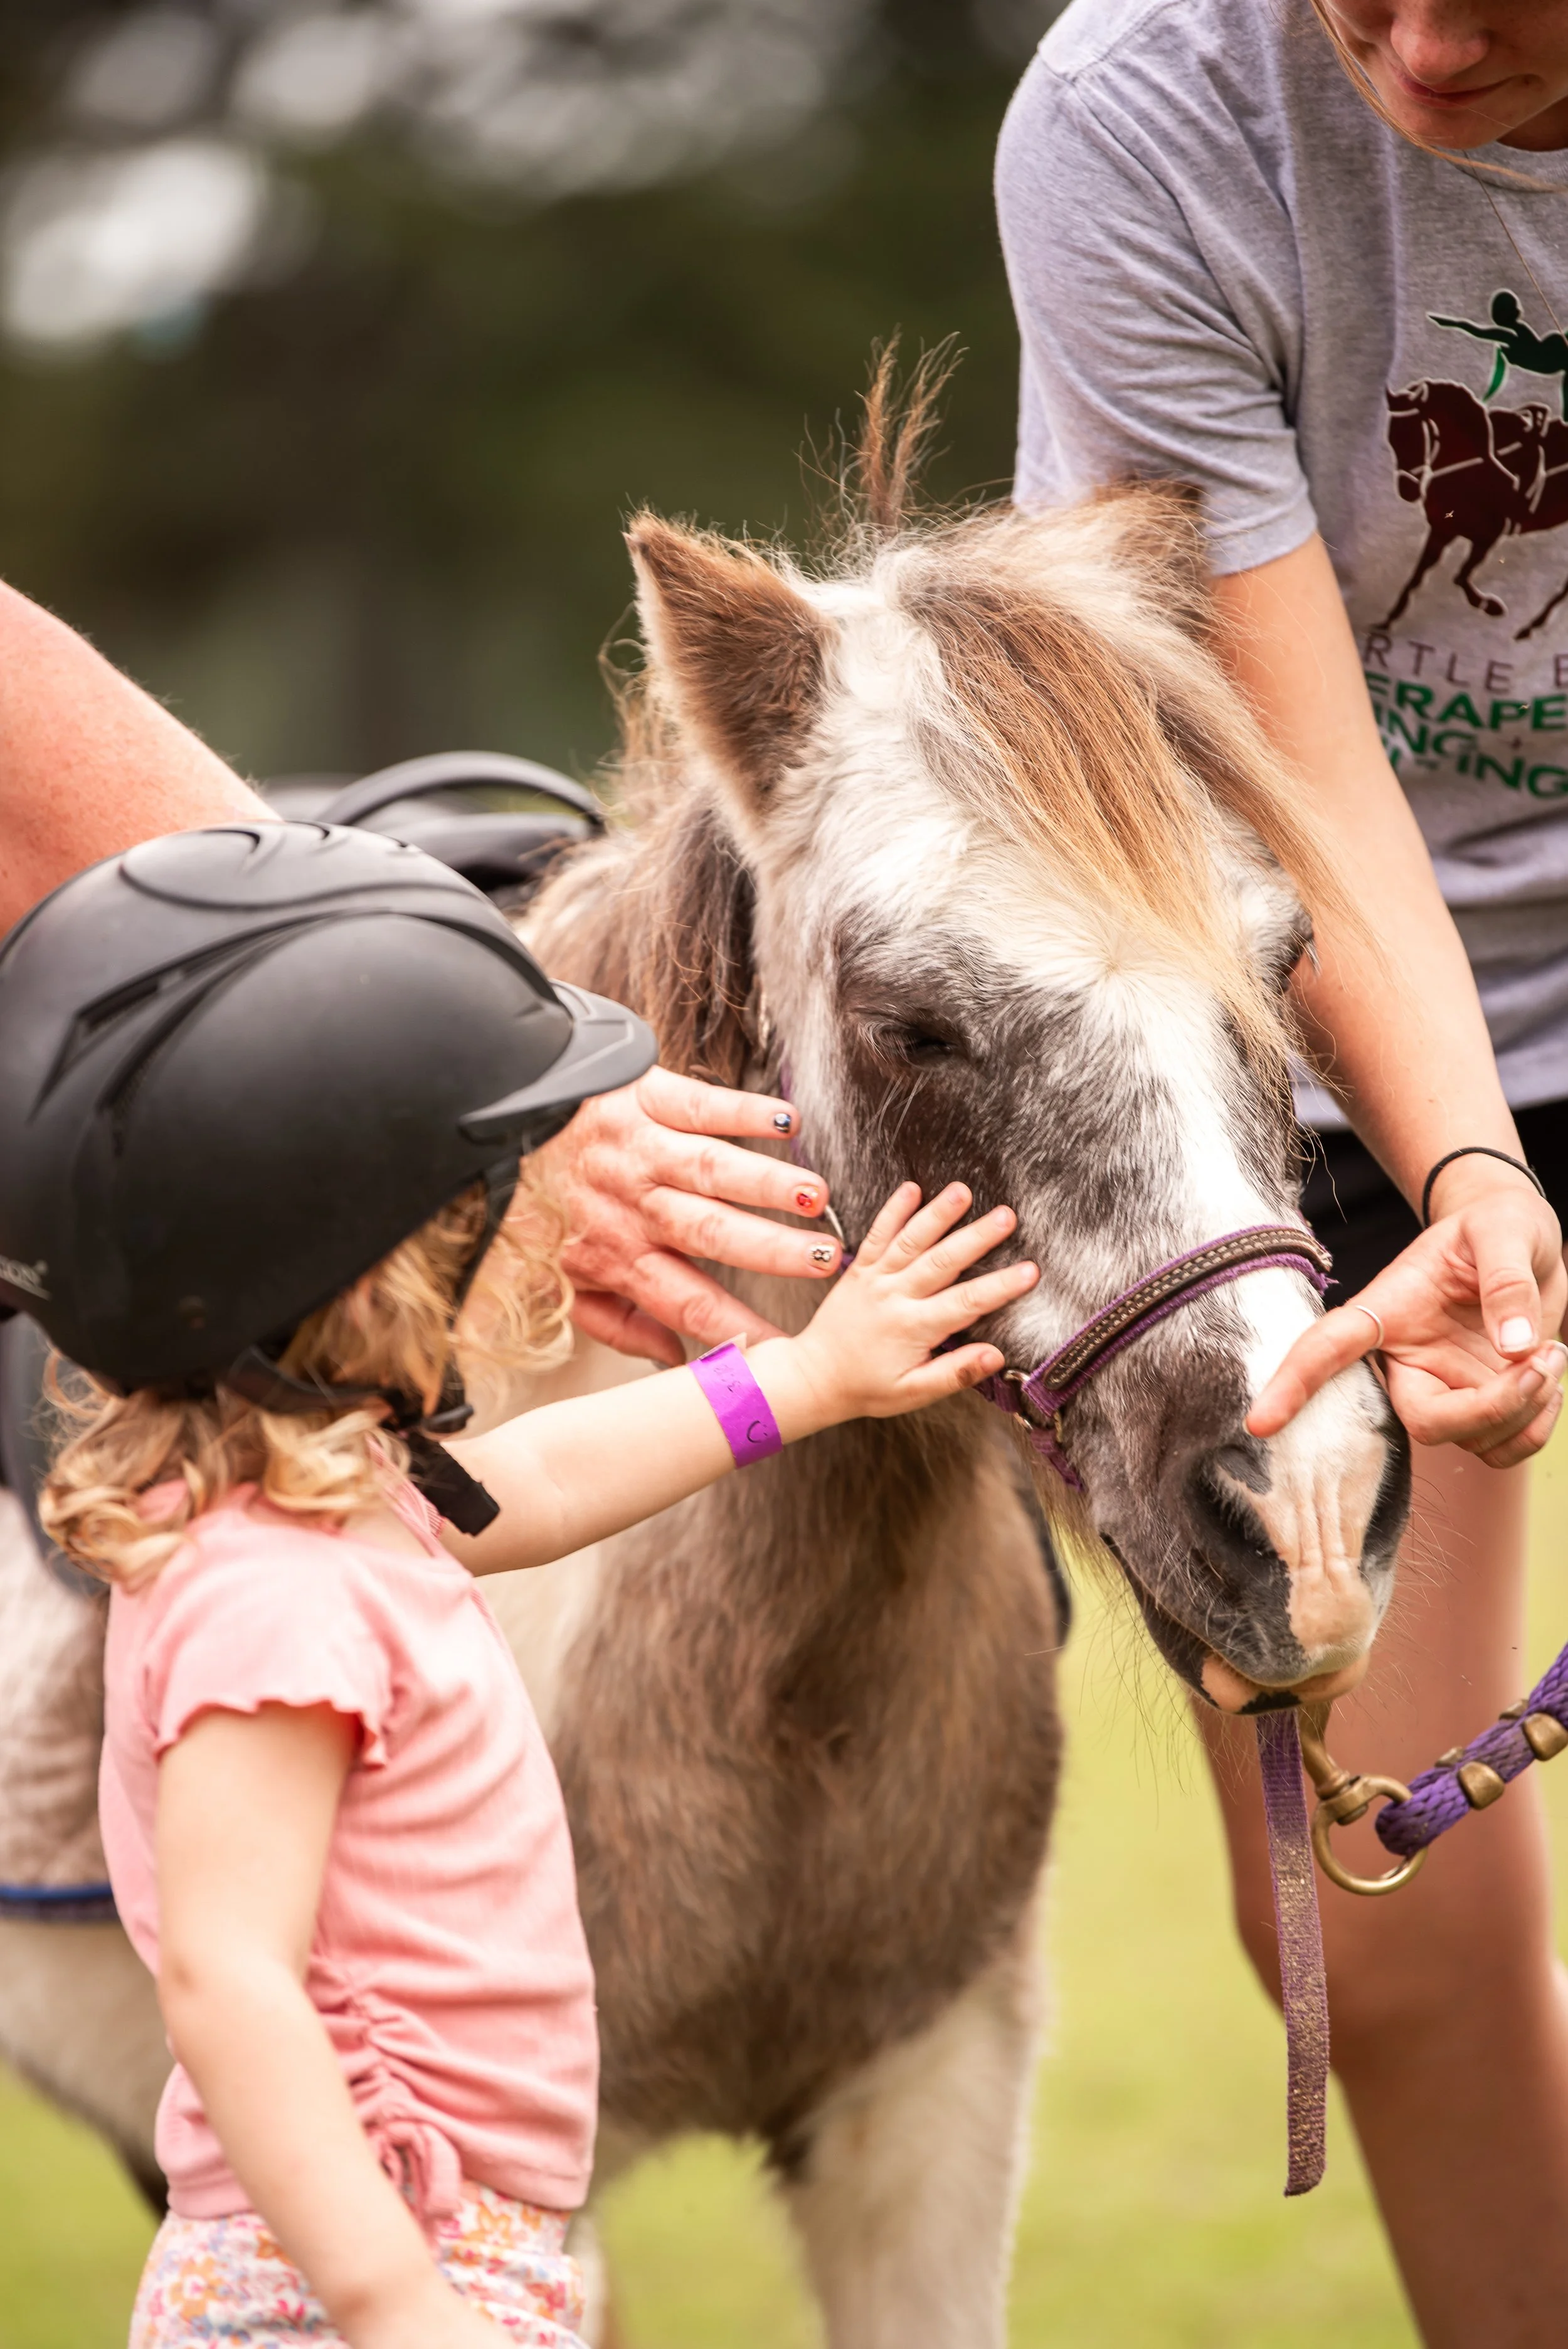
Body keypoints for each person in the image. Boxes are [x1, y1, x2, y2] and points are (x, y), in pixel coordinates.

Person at [0, 820, 1037, 2349]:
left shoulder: (330, 1491)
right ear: (361, 1267)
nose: (539, 1223)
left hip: (438, 2245)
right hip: (355, 2269)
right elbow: (230, 1982)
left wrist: (807, 1382)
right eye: (493, 1198)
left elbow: (540, 1483)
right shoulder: (273, 1604)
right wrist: (393, 2304)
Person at [995, 4, 1568, 2340]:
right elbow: (1287, 773)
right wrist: (1467, 1167)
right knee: (1389, 1921)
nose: (1424, 51)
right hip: (1290, 1004)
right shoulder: (1150, 112)